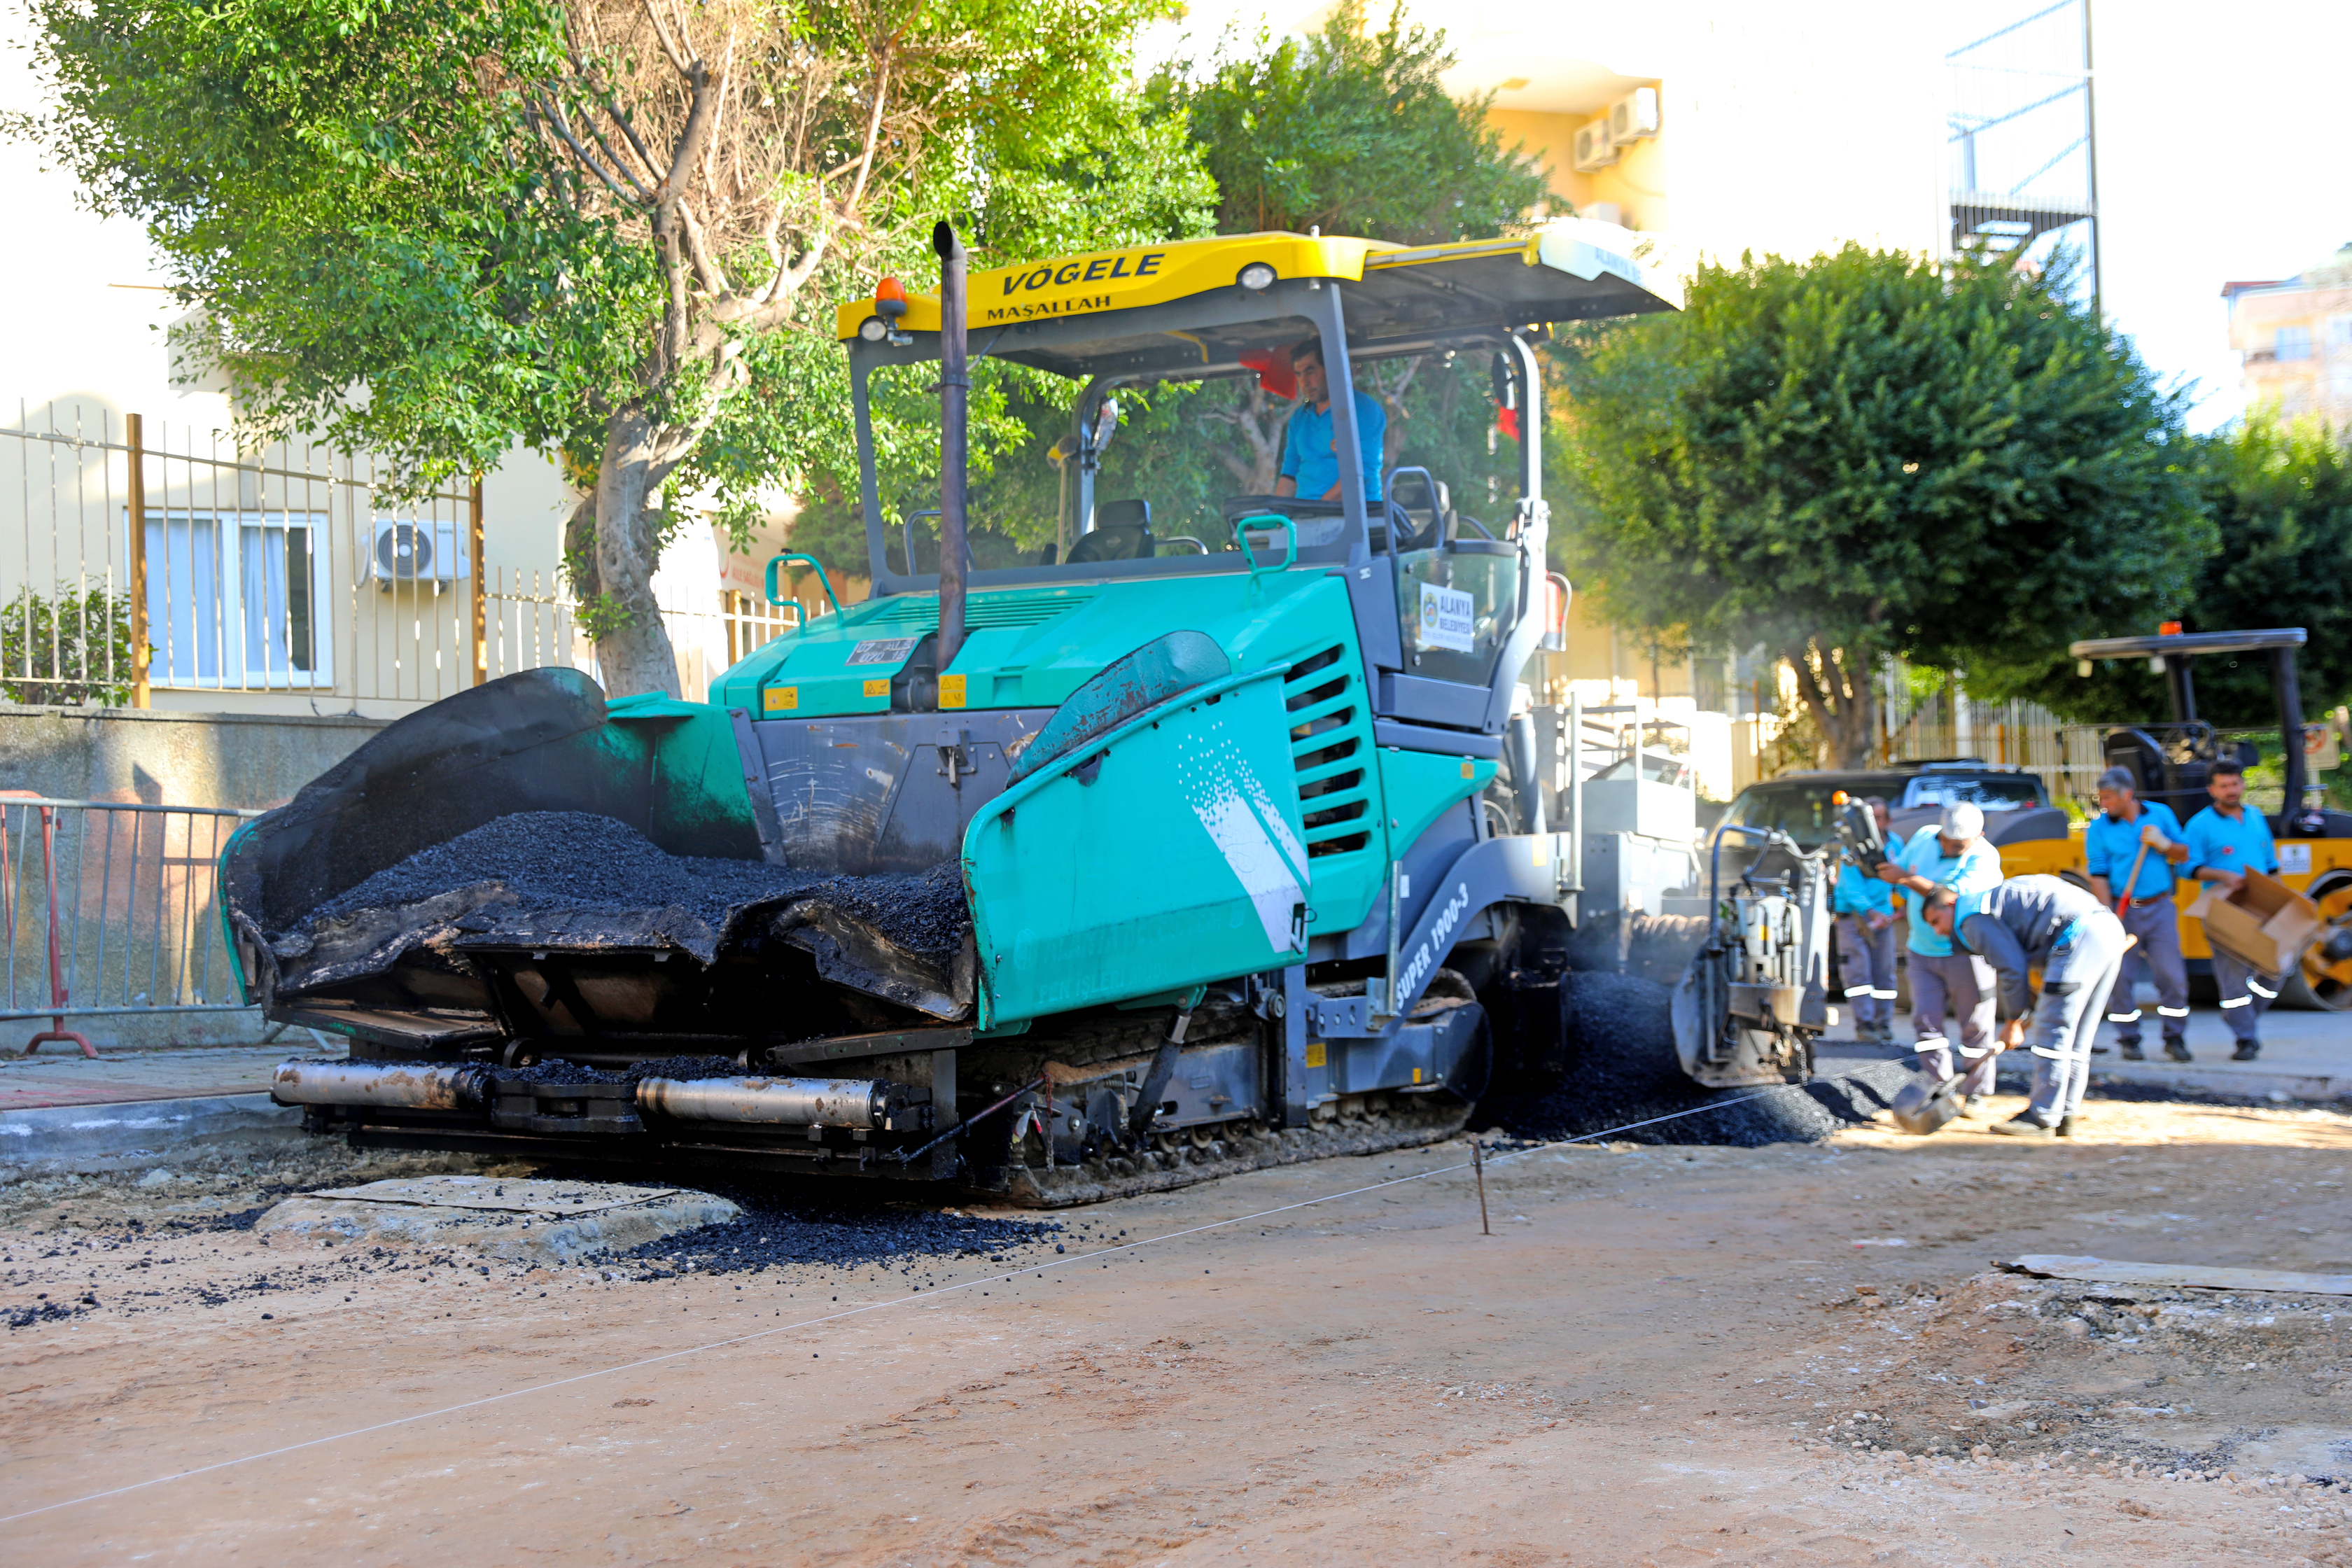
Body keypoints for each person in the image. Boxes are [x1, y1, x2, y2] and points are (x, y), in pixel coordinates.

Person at [1924, 875, 2127, 1139]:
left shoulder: (1971, 917)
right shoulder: (1991, 902)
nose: (1937, 931)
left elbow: (2012, 968)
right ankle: (2064, 1113)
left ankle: (2041, 1117)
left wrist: (2013, 1022)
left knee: (2053, 1030)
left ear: (1951, 903)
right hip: (2106, 928)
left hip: (2077, 934)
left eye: (1936, 921)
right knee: (2077, 1035)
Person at [1877, 802, 2005, 1111]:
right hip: (1921, 950)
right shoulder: (1924, 837)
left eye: (1958, 846)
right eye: (1945, 841)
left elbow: (1950, 898)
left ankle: (1976, 1091)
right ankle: (1938, 1089)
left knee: (1975, 1024)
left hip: (1966, 953)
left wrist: (1906, 879)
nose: (1948, 848)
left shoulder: (1985, 857)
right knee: (1926, 1023)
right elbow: (1902, 877)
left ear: (1979, 836)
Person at [2083, 765, 2192, 1063]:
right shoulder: (2099, 829)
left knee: (2172, 976)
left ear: (2127, 794)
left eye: (2108, 797)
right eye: (2101, 797)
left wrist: (2164, 844)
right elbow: (2098, 874)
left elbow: (2184, 854)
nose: (2104, 803)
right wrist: (2108, 916)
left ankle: (2175, 1038)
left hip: (2159, 908)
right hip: (2124, 911)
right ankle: (2129, 1039)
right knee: (2120, 978)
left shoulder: (2160, 815)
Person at [2181, 758, 2282, 1061]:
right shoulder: (2199, 825)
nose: (2231, 790)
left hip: (2259, 906)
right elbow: (2186, 868)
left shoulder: (2255, 816)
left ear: (2243, 784)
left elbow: (2271, 864)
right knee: (2233, 977)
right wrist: (2223, 875)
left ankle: (2242, 1017)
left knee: (2278, 969)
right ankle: (2246, 1038)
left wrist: (2282, 900)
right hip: (2221, 910)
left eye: (2235, 783)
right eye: (2224, 785)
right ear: (2212, 790)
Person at [1273, 338, 1386, 505]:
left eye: (1310, 371)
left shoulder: (1364, 409)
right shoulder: (1299, 418)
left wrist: (1319, 510)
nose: (1304, 382)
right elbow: (1289, 474)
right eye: (1299, 375)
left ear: (1331, 369)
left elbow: (1361, 472)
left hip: (1357, 513)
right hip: (1308, 515)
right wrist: (1276, 514)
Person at [1833, 796, 1903, 1044]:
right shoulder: (1852, 848)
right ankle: (1864, 1025)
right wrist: (1872, 912)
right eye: (1870, 818)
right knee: (1858, 974)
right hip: (1854, 918)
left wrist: (1904, 906)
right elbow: (1851, 888)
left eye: (1879, 818)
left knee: (1885, 973)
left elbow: (1901, 878)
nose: (1875, 823)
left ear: (1888, 820)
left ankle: (1883, 1024)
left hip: (1882, 917)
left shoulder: (1896, 844)